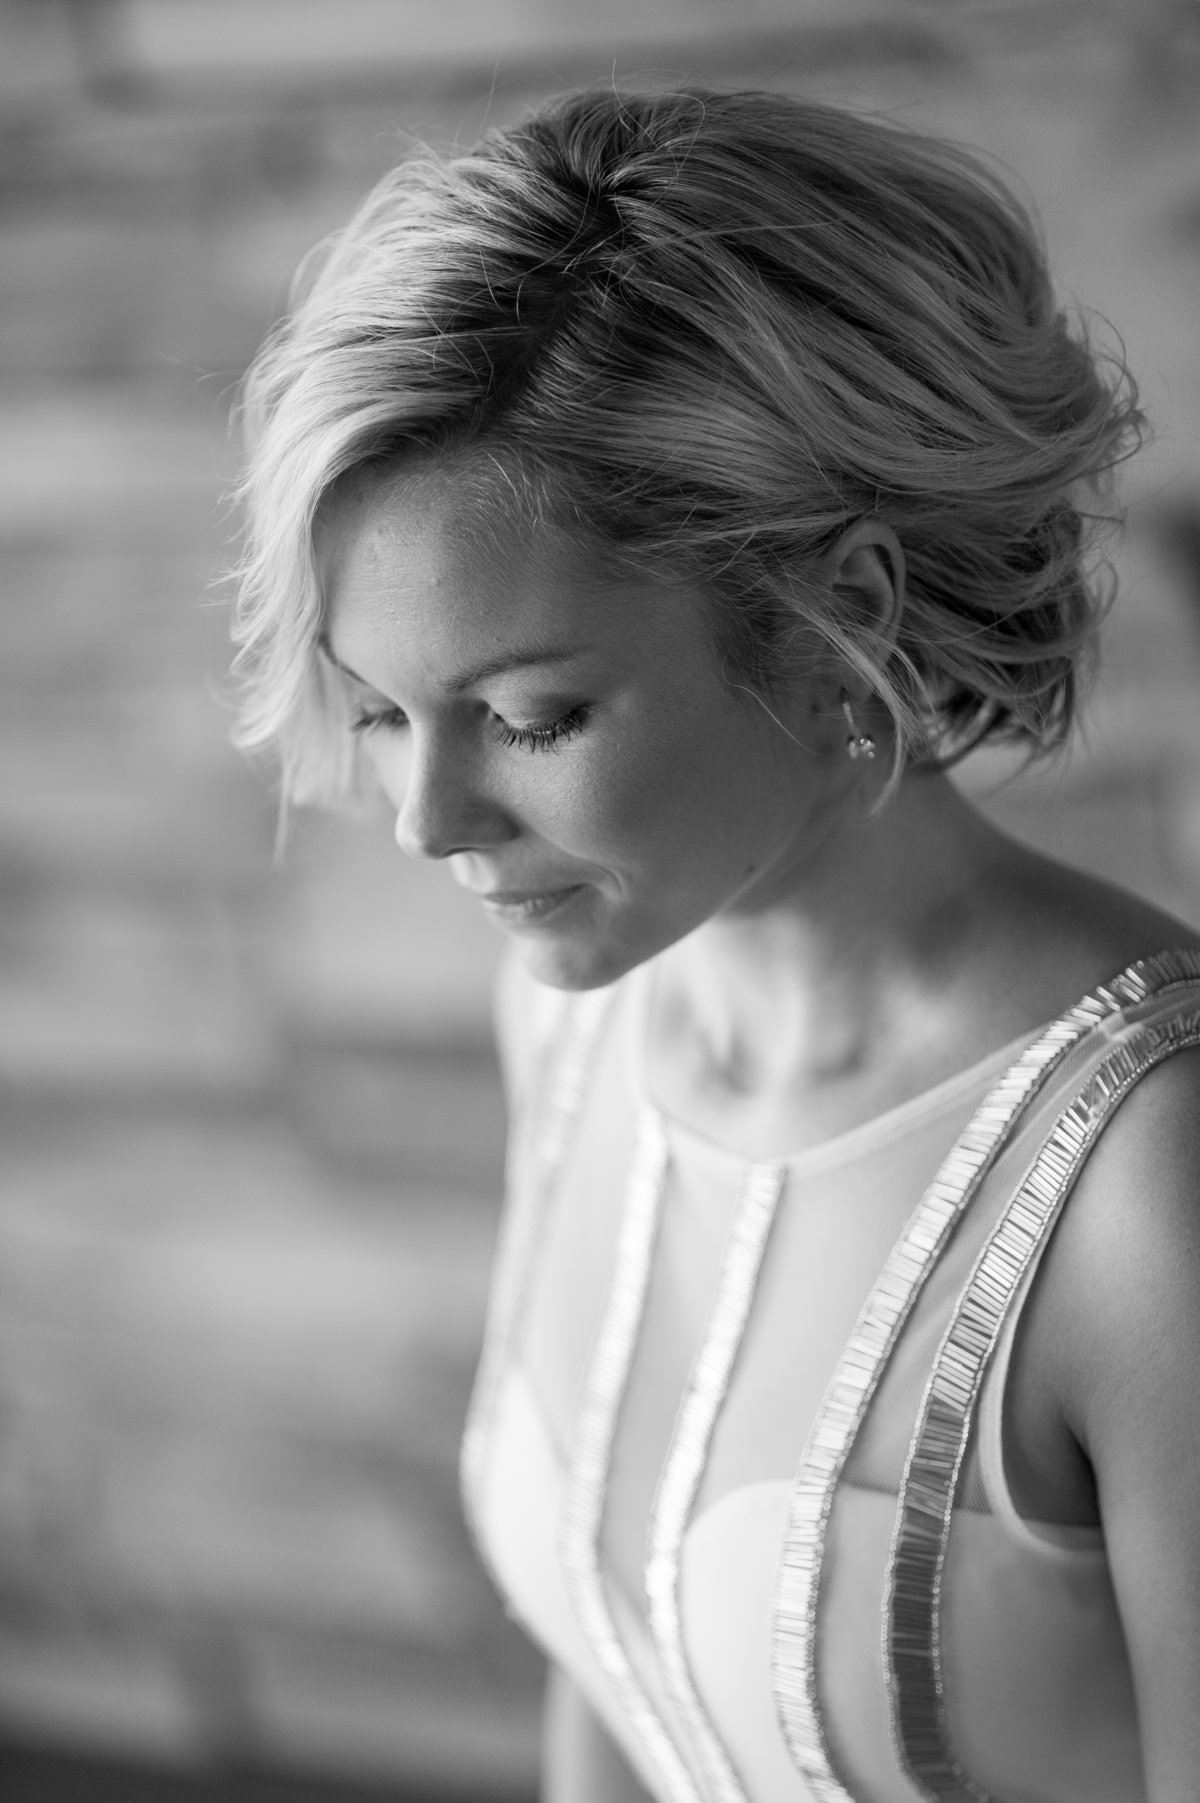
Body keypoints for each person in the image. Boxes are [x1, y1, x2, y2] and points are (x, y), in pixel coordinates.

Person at [230, 86, 1200, 1803]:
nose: (425, 821)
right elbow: (607, 1674)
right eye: (383, 712)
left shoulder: (1147, 1186)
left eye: (531, 719)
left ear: (851, 616)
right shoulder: (584, 1014)